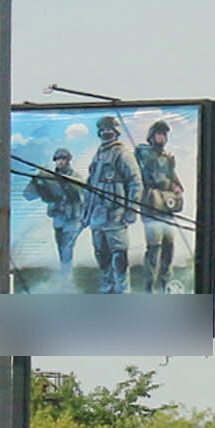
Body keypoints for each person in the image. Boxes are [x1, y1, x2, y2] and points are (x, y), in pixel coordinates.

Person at [83, 116, 140, 295]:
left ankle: (123, 290)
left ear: (116, 132)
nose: (106, 133)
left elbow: (135, 182)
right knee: (102, 255)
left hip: (115, 215)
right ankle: (107, 289)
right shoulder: (98, 155)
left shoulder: (123, 154)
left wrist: (131, 210)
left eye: (110, 129)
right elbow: (90, 185)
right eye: (103, 130)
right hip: (97, 217)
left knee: (119, 255)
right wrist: (86, 214)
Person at [23, 148, 87, 285]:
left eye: (63, 159)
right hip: (58, 217)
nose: (60, 162)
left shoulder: (75, 177)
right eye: (58, 159)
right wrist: (38, 184)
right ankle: (65, 273)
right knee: (61, 246)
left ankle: (67, 276)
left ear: (68, 160)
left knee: (67, 246)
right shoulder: (48, 177)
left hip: (73, 217)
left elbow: (83, 195)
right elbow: (28, 195)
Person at [136, 118, 184, 292]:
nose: (162, 137)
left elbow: (174, 179)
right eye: (158, 133)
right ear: (152, 135)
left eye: (164, 134)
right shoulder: (144, 153)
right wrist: (169, 184)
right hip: (151, 205)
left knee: (168, 248)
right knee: (154, 249)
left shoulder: (167, 158)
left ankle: (165, 284)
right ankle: (149, 287)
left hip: (167, 208)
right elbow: (154, 177)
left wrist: (177, 187)